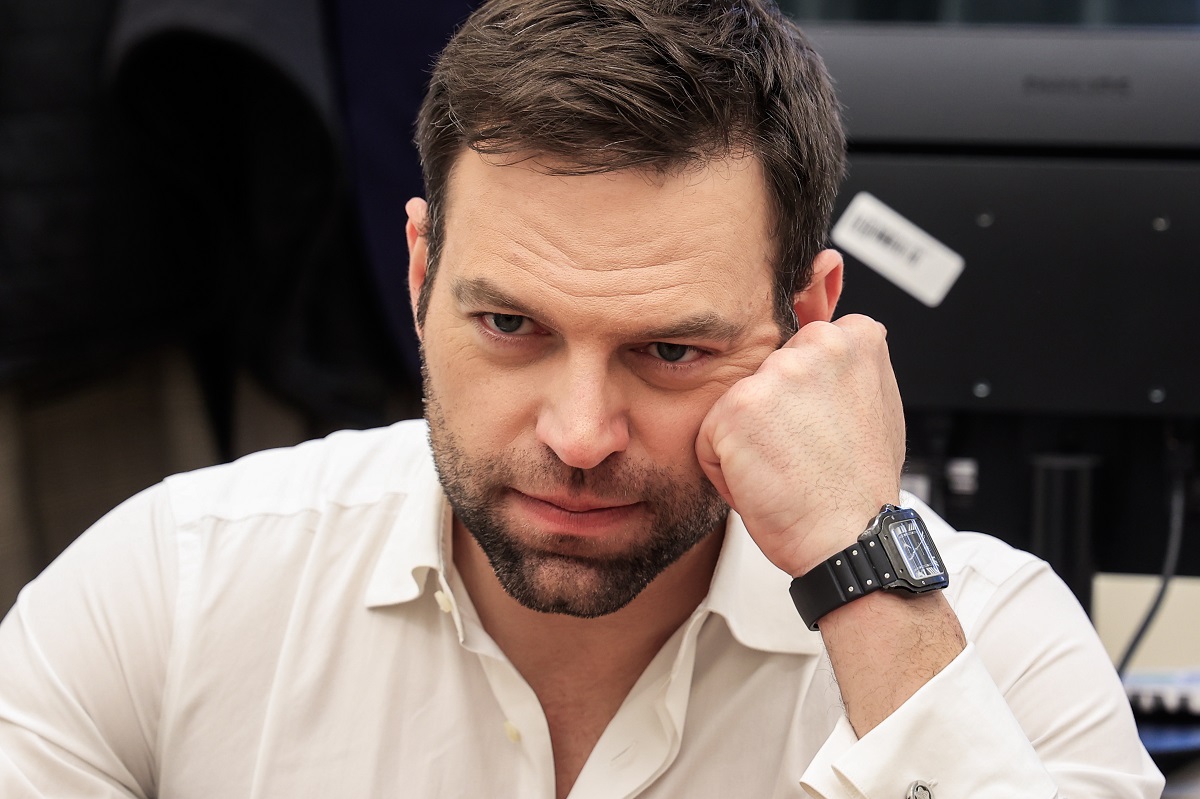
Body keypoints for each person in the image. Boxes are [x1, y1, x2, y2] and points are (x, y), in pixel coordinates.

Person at [0, 1, 1163, 796]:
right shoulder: (173, 592)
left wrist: (868, 584)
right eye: (511, 327)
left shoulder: (994, 649)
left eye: (670, 349)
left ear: (807, 321)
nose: (579, 433)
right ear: (419, 274)